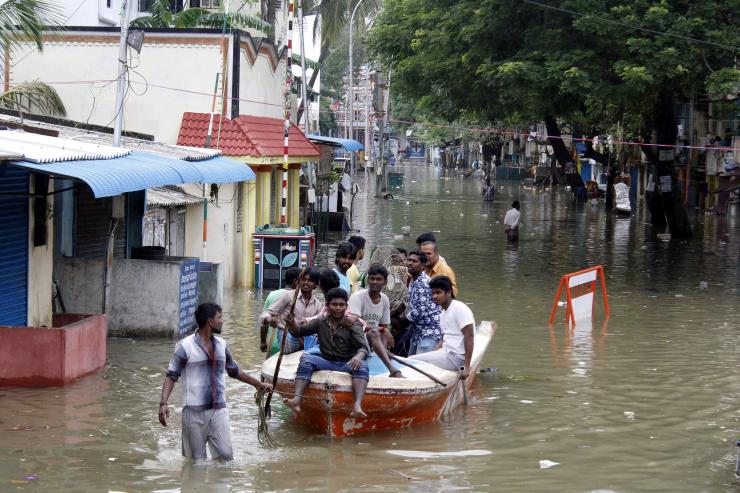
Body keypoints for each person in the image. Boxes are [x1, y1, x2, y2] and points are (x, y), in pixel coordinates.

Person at [158, 303, 270, 461]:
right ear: (210, 321)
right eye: (220, 317)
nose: (222, 321)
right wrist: (163, 403)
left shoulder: (221, 345)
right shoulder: (185, 346)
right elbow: (171, 376)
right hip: (193, 412)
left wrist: (258, 385)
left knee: (226, 457)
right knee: (196, 462)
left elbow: (235, 371)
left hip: (219, 409)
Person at [283, 288, 370, 418]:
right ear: (328, 306)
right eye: (334, 305)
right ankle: (296, 400)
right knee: (306, 360)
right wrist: (291, 324)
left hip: (346, 362)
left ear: (346, 307)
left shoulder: (353, 323)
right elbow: (298, 332)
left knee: (362, 366)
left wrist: (358, 356)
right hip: (326, 361)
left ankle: (357, 406)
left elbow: (363, 347)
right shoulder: (320, 321)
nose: (338, 308)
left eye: (341, 305)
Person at [411, 276, 475, 378]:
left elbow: (469, 336)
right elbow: (443, 338)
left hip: (456, 357)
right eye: (433, 293)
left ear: (449, 293)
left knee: (412, 361)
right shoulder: (443, 313)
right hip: (446, 354)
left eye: (438, 293)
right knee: (412, 360)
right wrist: (432, 353)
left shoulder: (459, 308)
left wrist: (466, 367)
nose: (434, 296)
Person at [349, 264, 404, 378]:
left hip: (373, 338)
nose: (374, 282)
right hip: (356, 337)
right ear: (368, 280)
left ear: (385, 281)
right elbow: (355, 324)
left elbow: (384, 325)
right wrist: (382, 329)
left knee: (381, 332)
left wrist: (383, 332)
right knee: (376, 331)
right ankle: (392, 370)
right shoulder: (357, 296)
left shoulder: (384, 299)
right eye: (372, 278)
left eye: (378, 279)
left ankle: (382, 355)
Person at [256, 268, 323, 356]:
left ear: (315, 285)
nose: (306, 282)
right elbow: (267, 313)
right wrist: (268, 319)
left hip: (306, 340)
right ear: (299, 281)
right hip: (287, 338)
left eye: (310, 280)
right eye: (304, 279)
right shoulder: (288, 295)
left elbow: (318, 326)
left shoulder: (318, 305)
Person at [403, 250, 442, 355]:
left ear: (423, 265)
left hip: (429, 332)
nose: (410, 263)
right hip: (418, 331)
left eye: (414, 261)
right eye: (409, 260)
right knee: (411, 363)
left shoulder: (424, 283)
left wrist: (402, 321)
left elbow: (419, 312)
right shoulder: (413, 281)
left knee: (422, 366)